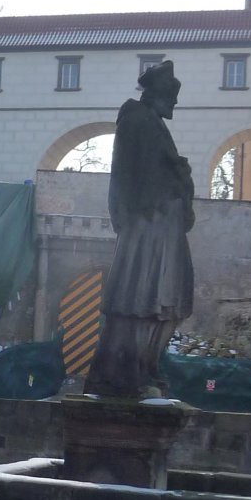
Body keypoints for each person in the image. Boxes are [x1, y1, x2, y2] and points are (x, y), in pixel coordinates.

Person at [85, 60, 194, 397]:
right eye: (172, 98)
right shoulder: (137, 118)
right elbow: (127, 173)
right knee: (140, 296)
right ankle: (125, 371)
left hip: (164, 225)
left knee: (166, 298)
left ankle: (145, 366)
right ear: (159, 94)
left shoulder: (152, 122)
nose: (175, 104)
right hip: (148, 223)